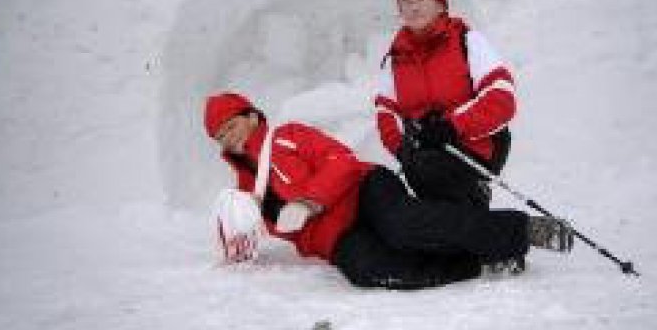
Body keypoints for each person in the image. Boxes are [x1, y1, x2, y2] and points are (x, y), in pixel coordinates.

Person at [203, 91, 572, 290]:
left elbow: (341, 160)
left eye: (230, 126)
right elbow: (279, 229)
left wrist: (309, 200)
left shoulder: (288, 136)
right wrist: (242, 233)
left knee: (404, 227)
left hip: (363, 190)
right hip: (336, 238)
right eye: (220, 137)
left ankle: (522, 230)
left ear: (252, 116)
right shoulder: (244, 191)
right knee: (371, 269)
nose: (228, 139)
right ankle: (482, 262)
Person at [375, 0, 517, 208]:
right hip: (424, 154)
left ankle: (483, 210)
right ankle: (482, 226)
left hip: (475, 144)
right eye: (405, 2)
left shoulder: (466, 40)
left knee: (430, 171)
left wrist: (452, 126)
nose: (413, 7)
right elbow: (385, 111)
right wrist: (401, 148)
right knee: (408, 178)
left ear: (440, 5)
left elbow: (501, 96)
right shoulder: (397, 57)